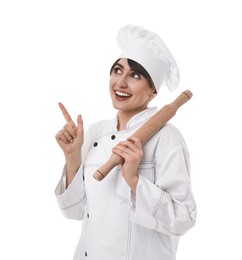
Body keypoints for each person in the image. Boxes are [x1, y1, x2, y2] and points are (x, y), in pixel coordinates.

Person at [55, 24, 196, 260]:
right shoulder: (95, 133)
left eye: (135, 75)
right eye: (117, 70)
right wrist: (72, 156)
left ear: (153, 91)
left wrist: (134, 180)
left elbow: (183, 219)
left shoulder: (166, 137)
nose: (120, 82)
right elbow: (74, 211)